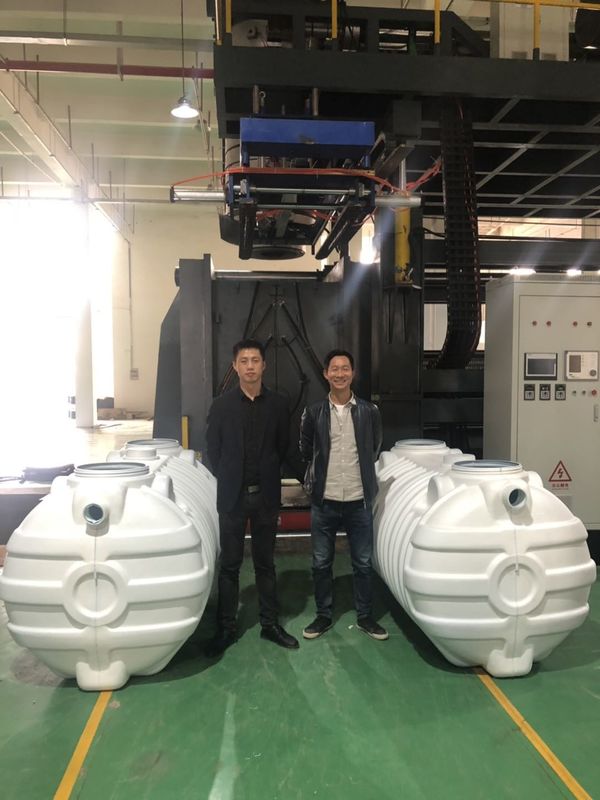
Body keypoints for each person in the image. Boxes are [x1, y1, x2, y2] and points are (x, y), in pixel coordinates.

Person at [204, 338, 299, 656]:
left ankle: (270, 624)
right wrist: (229, 476)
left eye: (255, 360)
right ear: (235, 366)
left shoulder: (278, 405)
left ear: (264, 365)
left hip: (265, 497)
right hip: (232, 498)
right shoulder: (221, 406)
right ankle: (226, 628)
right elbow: (213, 450)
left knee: (265, 564)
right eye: (243, 361)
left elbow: (284, 447)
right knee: (230, 566)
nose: (249, 366)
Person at [299, 349, 388, 641]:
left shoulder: (369, 411)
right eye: (334, 369)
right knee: (320, 562)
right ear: (326, 374)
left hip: (358, 499)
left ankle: (365, 616)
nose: (340, 373)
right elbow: (305, 449)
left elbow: (374, 447)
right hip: (324, 501)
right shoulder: (314, 412)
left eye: (345, 368)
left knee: (362, 562)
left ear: (353, 373)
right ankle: (323, 615)